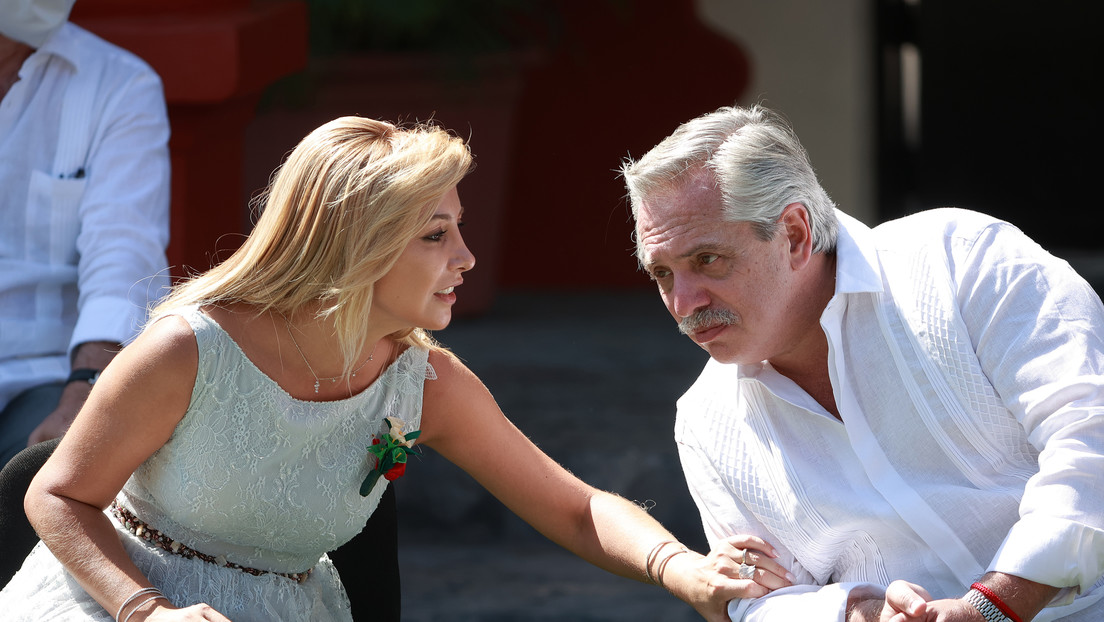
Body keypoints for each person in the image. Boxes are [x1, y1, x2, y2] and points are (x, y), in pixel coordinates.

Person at [0, 116, 793, 621]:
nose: (467, 258)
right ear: (356, 242)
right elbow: (55, 491)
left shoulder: (427, 383)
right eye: (435, 234)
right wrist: (146, 613)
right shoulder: (187, 349)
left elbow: (576, 509)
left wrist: (684, 571)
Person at [621, 104, 1104, 621]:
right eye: (663, 274)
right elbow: (757, 604)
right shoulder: (705, 420)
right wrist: (858, 614)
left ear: (795, 235)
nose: (684, 302)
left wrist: (992, 607)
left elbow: (1090, 432)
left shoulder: (962, 261)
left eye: (707, 260)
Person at [0, 0, 171, 467]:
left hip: (49, 374)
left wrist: (88, 386)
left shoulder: (118, 85)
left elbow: (124, 251)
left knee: (54, 463)